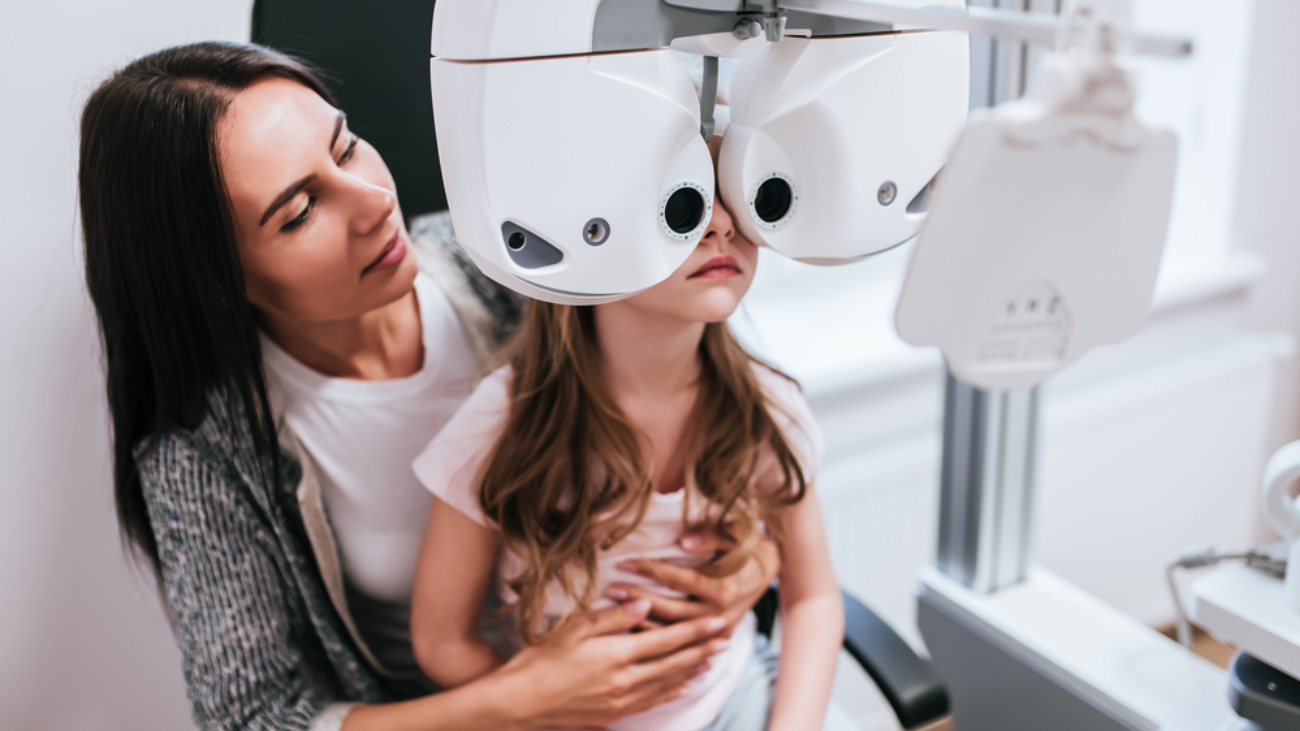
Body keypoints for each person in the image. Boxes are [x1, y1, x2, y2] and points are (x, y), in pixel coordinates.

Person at [78, 40, 783, 731]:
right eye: (300, 211)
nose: (374, 202)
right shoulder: (206, 453)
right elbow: (252, 718)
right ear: (216, 283)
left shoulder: (519, 250)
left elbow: (735, 415)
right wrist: (520, 703)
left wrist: (751, 565)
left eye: (346, 148)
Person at [408, 190, 856, 730]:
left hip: (737, 696)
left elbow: (812, 599)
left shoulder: (766, 408)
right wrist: (543, 709)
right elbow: (442, 643)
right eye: (681, 201)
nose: (720, 223)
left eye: (732, 192)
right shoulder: (502, 424)